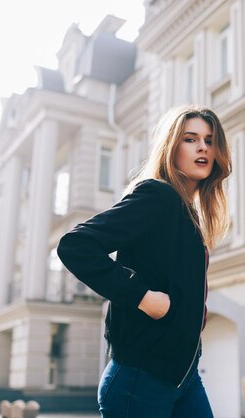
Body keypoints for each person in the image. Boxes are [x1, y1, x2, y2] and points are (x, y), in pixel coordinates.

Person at [57, 105, 231, 418]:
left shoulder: (187, 214)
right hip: (140, 381)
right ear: (171, 148)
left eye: (210, 140)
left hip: (184, 375)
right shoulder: (157, 196)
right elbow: (76, 246)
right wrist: (142, 297)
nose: (203, 147)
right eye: (190, 139)